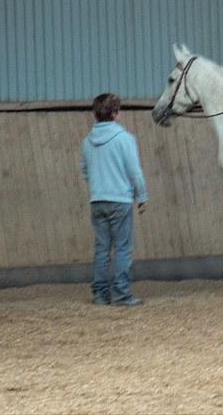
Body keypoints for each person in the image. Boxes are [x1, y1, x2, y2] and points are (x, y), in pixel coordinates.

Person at [81, 93, 148, 306]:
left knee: (102, 248)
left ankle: (100, 294)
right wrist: (142, 195)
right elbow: (134, 171)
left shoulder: (87, 142)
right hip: (119, 199)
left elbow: (85, 171)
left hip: (97, 199)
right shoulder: (125, 139)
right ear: (115, 113)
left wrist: (98, 185)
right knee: (122, 248)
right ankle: (122, 293)